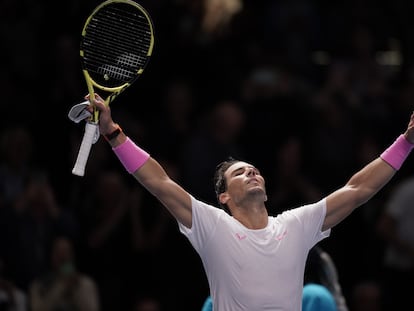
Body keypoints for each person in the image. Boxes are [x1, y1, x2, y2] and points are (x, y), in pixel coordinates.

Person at [89, 93, 414, 310]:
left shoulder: (296, 224)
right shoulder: (211, 224)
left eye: (254, 170)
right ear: (224, 196)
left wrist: (406, 142)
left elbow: (358, 189)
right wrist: (113, 132)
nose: (252, 173)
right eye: (240, 173)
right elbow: (157, 181)